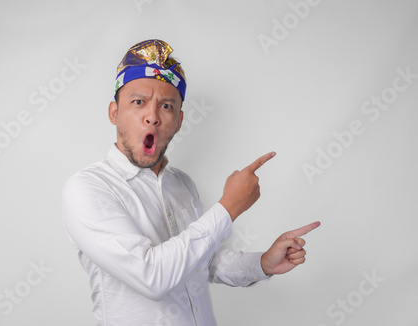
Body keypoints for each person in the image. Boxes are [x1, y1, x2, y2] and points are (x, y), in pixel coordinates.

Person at [62, 39, 320, 326]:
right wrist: (228, 208)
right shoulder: (87, 189)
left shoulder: (182, 184)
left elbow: (203, 262)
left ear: (179, 120)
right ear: (114, 112)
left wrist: (261, 263)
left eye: (166, 106)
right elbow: (152, 277)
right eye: (138, 102)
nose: (152, 117)